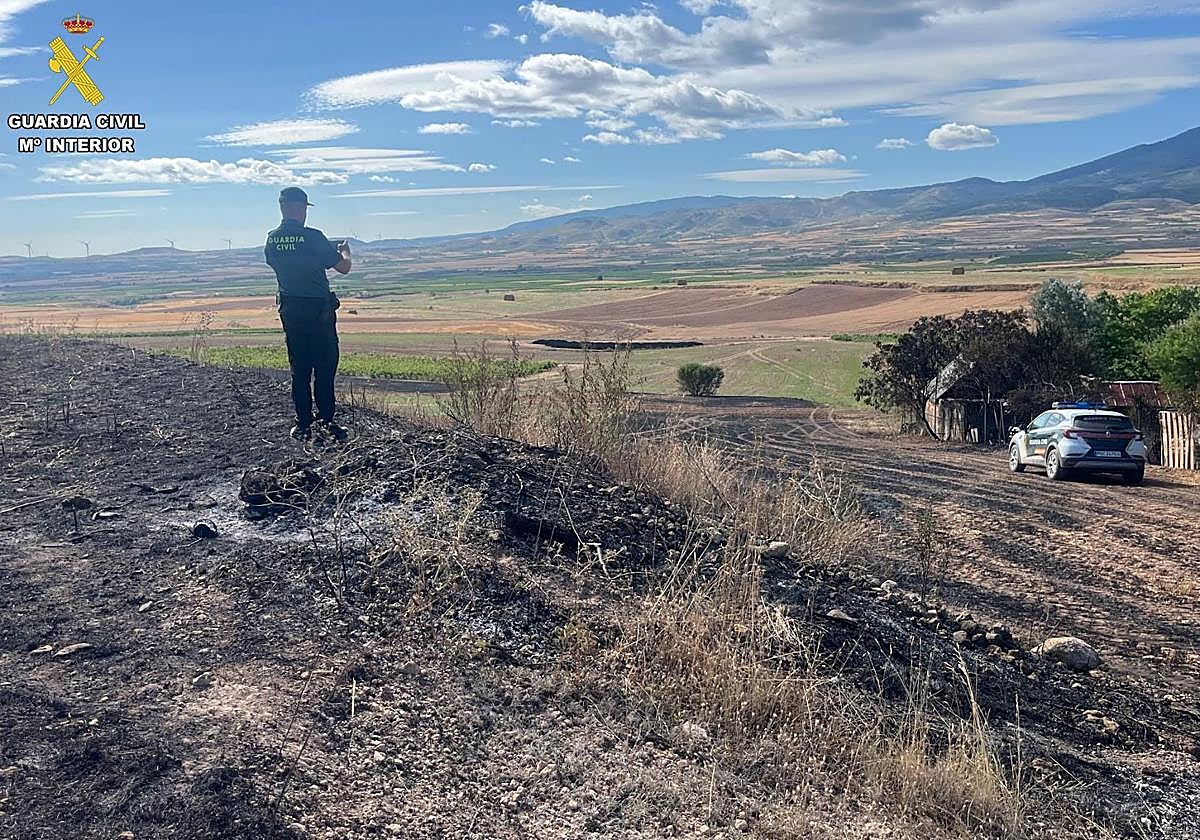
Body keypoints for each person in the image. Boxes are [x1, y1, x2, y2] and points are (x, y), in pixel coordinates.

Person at [264, 186, 352, 442]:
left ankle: (303, 423)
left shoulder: (272, 239)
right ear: (301, 207)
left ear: (282, 207)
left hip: (290, 310)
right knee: (325, 365)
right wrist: (344, 251)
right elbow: (343, 267)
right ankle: (326, 421)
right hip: (318, 311)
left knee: (299, 367)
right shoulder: (313, 237)